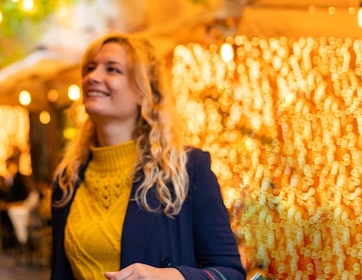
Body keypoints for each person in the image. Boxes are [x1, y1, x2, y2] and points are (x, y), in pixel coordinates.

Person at [50, 33, 246, 280]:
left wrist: (171, 276)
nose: (93, 77)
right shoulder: (67, 179)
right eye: (90, 68)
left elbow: (229, 273)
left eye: (112, 69)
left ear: (144, 92)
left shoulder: (187, 169)